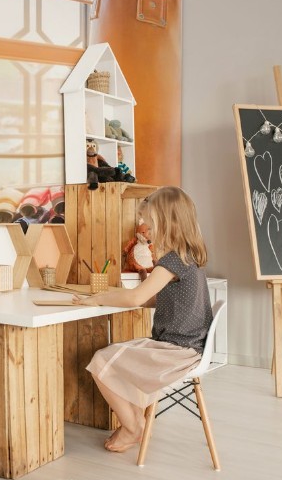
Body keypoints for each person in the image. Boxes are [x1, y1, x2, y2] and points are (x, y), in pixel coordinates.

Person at [72, 187, 213, 453]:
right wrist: (117, 295)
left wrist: (99, 299)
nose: (145, 228)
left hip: (176, 351)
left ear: (164, 222)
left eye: (149, 222)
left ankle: (133, 426)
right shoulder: (189, 257)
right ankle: (134, 419)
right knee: (116, 358)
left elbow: (137, 299)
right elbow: (152, 299)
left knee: (101, 360)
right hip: (188, 348)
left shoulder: (174, 259)